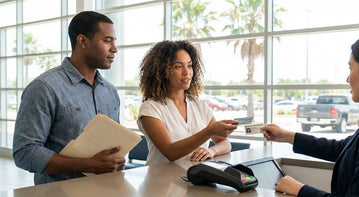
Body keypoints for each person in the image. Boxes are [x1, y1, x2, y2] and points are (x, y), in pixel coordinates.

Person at [261, 30, 359, 197]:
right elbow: (343, 149)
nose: (347, 78)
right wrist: (287, 136)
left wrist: (300, 190)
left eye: (351, 68)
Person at [13, 11, 125, 185]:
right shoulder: (44, 87)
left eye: (114, 42)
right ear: (83, 41)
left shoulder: (110, 91)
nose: (114, 49)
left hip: (106, 194)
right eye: (107, 41)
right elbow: (25, 153)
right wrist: (89, 165)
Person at [137, 40, 237, 165]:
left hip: (195, 179)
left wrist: (212, 151)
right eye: (178, 66)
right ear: (163, 71)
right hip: (161, 182)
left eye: (189, 65)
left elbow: (225, 143)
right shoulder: (150, 109)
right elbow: (170, 152)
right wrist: (209, 131)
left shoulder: (199, 105)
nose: (187, 72)